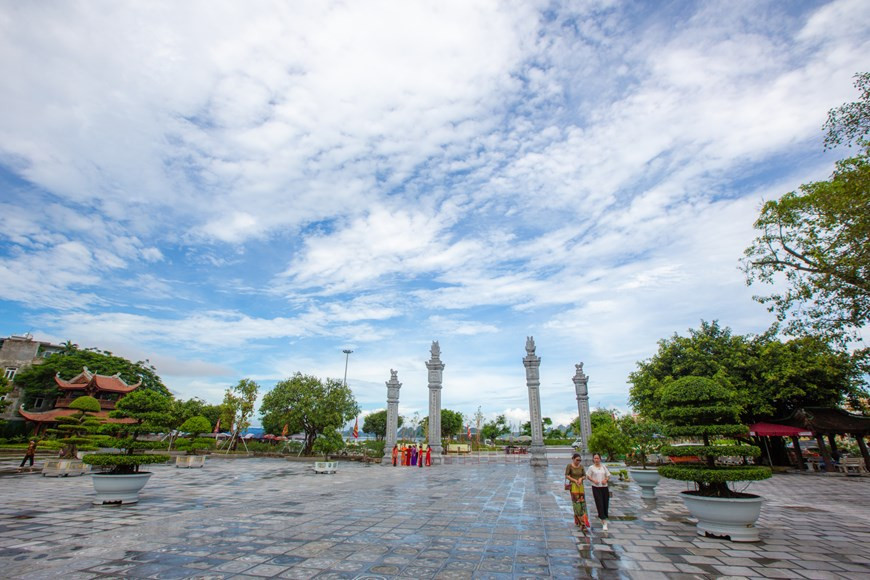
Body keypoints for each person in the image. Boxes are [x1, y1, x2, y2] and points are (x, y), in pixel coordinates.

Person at [586, 453, 612, 531]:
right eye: (595, 458)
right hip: (596, 487)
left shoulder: (603, 467)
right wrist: (594, 480)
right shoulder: (591, 468)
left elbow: (608, 475)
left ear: (600, 459)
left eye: (598, 458)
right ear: (593, 459)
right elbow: (588, 476)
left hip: (604, 487)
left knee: (605, 503)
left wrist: (605, 480)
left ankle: (604, 517)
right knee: (599, 503)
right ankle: (604, 521)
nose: (596, 460)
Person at [565, 453, 590, 530]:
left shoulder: (581, 467)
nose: (578, 461)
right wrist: (575, 480)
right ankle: (580, 523)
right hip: (573, 487)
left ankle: (584, 521)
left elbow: (584, 476)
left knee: (582, 504)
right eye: (577, 460)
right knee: (577, 504)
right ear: (573, 459)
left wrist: (581, 479)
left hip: (581, 487)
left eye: (580, 460)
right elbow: (567, 475)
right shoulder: (569, 466)